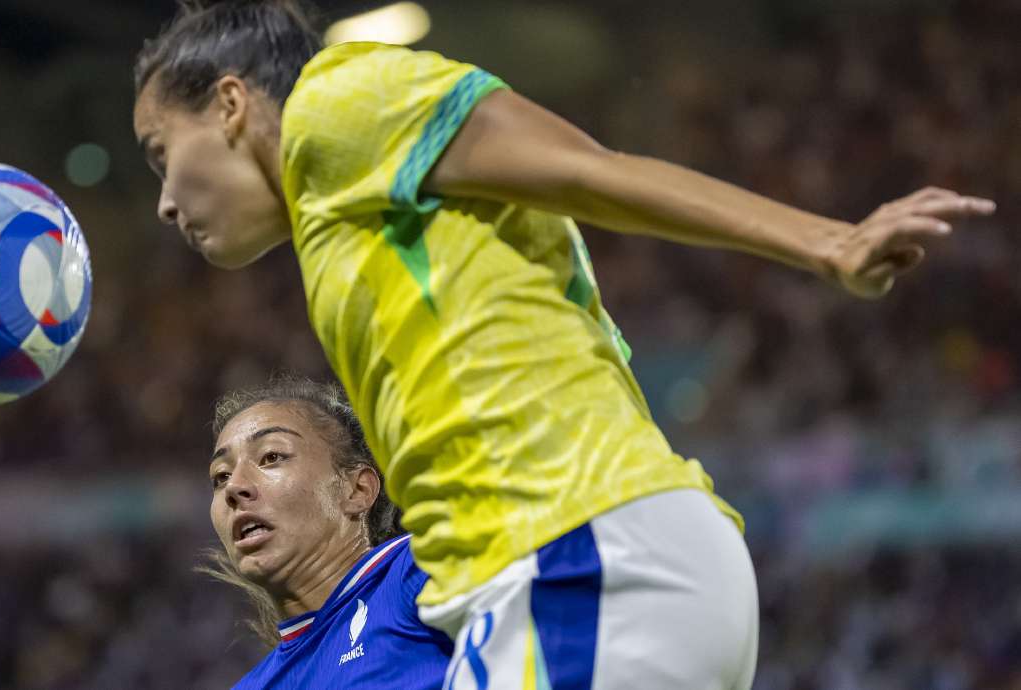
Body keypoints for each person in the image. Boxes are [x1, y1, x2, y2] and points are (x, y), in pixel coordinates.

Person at [132, 2, 997, 687]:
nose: (167, 202)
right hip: (576, 581)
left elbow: (591, 168)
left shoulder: (336, 104)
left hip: (575, 560)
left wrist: (828, 242)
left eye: (160, 153)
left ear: (233, 104)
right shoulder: (347, 223)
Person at [206, 376, 454, 688]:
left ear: (358, 489)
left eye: (271, 457)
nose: (234, 487)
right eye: (221, 476)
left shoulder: (423, 569)